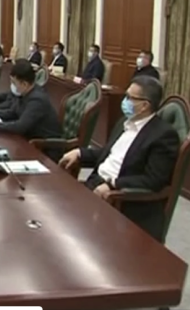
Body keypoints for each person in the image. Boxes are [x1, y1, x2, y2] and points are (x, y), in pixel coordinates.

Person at [59, 76, 179, 242]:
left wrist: (113, 185)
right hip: (95, 184)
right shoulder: (125, 122)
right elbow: (108, 154)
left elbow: (153, 180)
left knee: (72, 234)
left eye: (129, 97)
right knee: (57, 211)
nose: (125, 101)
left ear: (145, 105)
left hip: (121, 200)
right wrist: (80, 153)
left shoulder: (163, 135)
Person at [0, 59, 63, 158]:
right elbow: (13, 112)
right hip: (28, 140)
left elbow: (20, 127)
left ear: (24, 84)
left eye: (14, 83)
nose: (12, 86)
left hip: (44, 149)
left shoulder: (37, 100)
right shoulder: (25, 93)